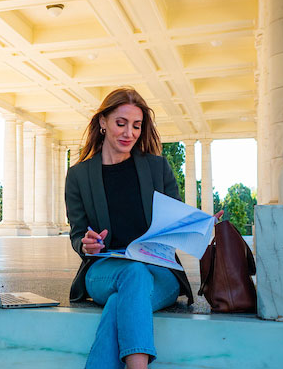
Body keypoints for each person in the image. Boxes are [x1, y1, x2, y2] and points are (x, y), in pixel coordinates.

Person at [64, 87, 194, 369]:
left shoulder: (158, 168)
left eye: (136, 126)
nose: (129, 133)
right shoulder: (78, 176)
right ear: (103, 123)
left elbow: (174, 222)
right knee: (131, 274)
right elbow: (77, 233)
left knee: (118, 304)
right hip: (105, 269)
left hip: (159, 272)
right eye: (120, 123)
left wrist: (197, 225)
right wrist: (86, 243)